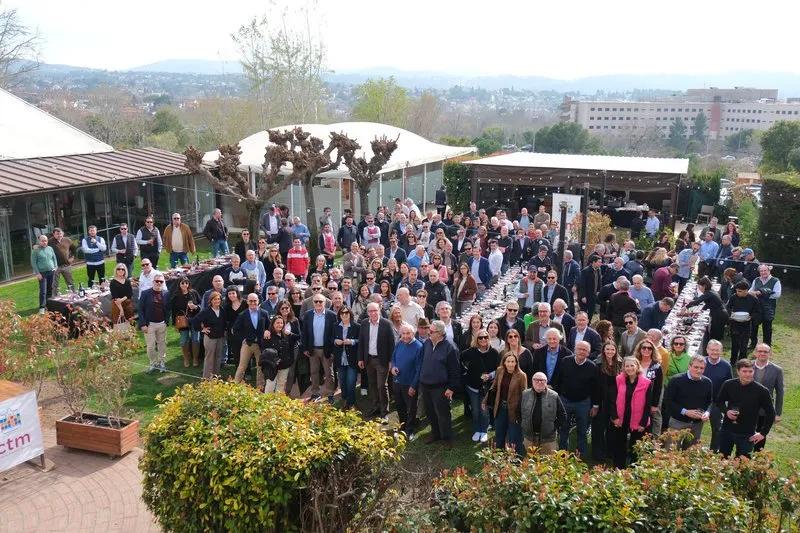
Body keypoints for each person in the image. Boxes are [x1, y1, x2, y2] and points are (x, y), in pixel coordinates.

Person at [716, 359, 776, 458]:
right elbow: (719, 402)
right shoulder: (729, 384)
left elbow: (771, 413)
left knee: (743, 463)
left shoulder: (762, 391)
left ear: (753, 371)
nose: (748, 374)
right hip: (727, 429)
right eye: (744, 371)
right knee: (722, 458)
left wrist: (763, 433)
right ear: (738, 371)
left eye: (750, 371)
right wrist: (726, 411)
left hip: (747, 433)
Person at [419, 320, 461, 448]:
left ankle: (447, 438)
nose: (428, 333)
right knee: (430, 412)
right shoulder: (427, 343)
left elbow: (455, 370)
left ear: (440, 333)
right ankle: (435, 433)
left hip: (440, 387)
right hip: (426, 385)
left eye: (431, 331)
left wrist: (451, 388)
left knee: (443, 414)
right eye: (429, 330)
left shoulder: (450, 347)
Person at [553, 340, 599, 458]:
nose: (581, 352)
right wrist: (557, 399)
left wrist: (595, 406)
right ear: (575, 349)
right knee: (563, 429)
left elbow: (595, 388)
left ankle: (580, 456)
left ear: (588, 353)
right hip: (565, 400)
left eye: (585, 350)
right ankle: (562, 455)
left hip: (583, 402)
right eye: (579, 349)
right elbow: (557, 380)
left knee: (582, 430)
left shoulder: (592, 366)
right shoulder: (565, 361)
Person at [607, 357, 654, 468]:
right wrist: (614, 417)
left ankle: (634, 469)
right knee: (619, 444)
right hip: (621, 417)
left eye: (632, 365)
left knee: (636, 445)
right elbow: (612, 399)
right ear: (624, 368)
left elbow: (648, 404)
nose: (629, 368)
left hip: (638, 419)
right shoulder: (618, 379)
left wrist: (643, 423)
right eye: (627, 366)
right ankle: (618, 468)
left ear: (637, 366)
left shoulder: (646, 383)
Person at [663, 355, 713, 447]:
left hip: (697, 424)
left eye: (701, 368)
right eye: (696, 367)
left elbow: (710, 401)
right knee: (671, 450)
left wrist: (707, 412)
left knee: (691, 451)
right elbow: (668, 401)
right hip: (678, 422)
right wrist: (685, 412)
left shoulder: (707, 382)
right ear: (689, 366)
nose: (698, 370)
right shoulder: (676, 380)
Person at [357, 302, 395, 419]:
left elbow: (392, 344)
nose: (373, 313)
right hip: (368, 359)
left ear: (379, 310)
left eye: (375, 310)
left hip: (382, 360)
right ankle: (375, 407)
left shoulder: (386, 324)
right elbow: (361, 342)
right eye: (370, 311)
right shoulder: (364, 323)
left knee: (381, 386)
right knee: (372, 384)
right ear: (367, 312)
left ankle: (384, 412)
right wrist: (360, 358)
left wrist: (391, 361)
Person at [484, 352, 527, 454]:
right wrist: (485, 400)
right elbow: (494, 387)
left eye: (513, 361)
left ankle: (516, 458)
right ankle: (499, 456)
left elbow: (524, 395)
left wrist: (521, 412)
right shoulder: (500, 371)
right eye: (508, 361)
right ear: (504, 362)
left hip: (514, 410)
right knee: (499, 434)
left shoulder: (521, 375)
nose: (510, 364)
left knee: (514, 436)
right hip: (500, 408)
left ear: (516, 363)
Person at [462, 329, 500, 443]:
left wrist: (490, 375)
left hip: (487, 388)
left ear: (488, 339)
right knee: (475, 410)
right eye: (480, 337)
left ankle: (484, 430)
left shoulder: (494, 352)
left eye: (485, 337)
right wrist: (466, 372)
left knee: (484, 410)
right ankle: (477, 429)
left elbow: (498, 368)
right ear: (476, 339)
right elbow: (461, 360)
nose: (483, 339)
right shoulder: (470, 351)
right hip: (472, 387)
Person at [301, 293, 338, 402]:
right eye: (315, 301)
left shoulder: (332, 315)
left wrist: (333, 350)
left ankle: (330, 393)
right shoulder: (308, 315)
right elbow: (304, 332)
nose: (318, 303)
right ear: (313, 303)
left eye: (320, 301)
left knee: (329, 373)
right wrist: (305, 348)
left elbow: (335, 334)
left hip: (327, 349)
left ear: (325, 303)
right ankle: (315, 393)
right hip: (313, 349)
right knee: (314, 372)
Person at [520, 371, 566, 455]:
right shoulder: (525, 394)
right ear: (532, 381)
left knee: (548, 462)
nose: (539, 382)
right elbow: (518, 412)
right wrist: (523, 424)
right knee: (529, 462)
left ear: (546, 382)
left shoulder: (554, 396)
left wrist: (553, 427)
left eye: (542, 380)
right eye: (536, 380)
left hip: (548, 440)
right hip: (529, 439)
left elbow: (563, 415)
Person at [390, 324, 424, 438]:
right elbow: (393, 358)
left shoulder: (419, 347)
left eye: (408, 333)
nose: (405, 336)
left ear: (413, 333)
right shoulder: (400, 343)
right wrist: (393, 367)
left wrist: (413, 386)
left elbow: (419, 369)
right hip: (397, 381)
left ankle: (410, 430)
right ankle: (403, 426)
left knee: (411, 408)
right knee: (399, 406)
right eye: (403, 333)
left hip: (409, 384)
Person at [231, 293, 270, 389]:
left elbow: (269, 327)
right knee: (242, 366)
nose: (253, 303)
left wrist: (267, 331)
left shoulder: (264, 313)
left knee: (260, 367)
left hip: (260, 345)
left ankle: (260, 387)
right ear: (247, 302)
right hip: (247, 344)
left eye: (255, 301)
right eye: (251, 301)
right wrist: (243, 339)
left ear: (258, 301)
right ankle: (235, 386)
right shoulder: (242, 314)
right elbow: (235, 329)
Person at [592, 341, 622, 461]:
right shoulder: (597, 364)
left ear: (616, 351)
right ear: (603, 350)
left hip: (616, 401)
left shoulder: (620, 364)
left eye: (612, 349)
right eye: (607, 349)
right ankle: (598, 454)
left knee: (613, 428)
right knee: (599, 428)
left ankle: (611, 452)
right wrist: (595, 405)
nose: (610, 352)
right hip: (601, 401)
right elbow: (595, 386)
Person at [752, 343, 784, 452]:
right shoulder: (747, 366)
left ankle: (757, 458)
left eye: (765, 352)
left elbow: (780, 392)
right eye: (760, 351)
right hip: (747, 407)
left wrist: (778, 413)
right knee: (745, 434)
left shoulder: (777, 370)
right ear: (755, 352)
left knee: (761, 436)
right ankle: (743, 458)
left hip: (765, 410)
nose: (762, 353)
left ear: (770, 354)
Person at [702, 340, 733, 452]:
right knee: (694, 427)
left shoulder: (726, 366)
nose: (714, 352)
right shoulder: (701, 362)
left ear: (721, 351)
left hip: (717, 402)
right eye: (712, 350)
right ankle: (691, 449)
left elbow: (729, 385)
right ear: (707, 350)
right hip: (700, 401)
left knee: (717, 428)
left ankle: (713, 451)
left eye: (717, 350)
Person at [192, 291, 227, 379]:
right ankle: (207, 379)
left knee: (218, 357)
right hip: (210, 338)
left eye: (218, 299)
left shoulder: (222, 310)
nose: (217, 301)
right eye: (215, 299)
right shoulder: (206, 311)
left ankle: (215, 377)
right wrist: (202, 329)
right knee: (209, 358)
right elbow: (195, 320)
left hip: (220, 338)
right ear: (211, 301)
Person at [139, 273, 169, 373]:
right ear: (153, 282)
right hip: (149, 325)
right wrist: (143, 324)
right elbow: (140, 309)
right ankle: (153, 363)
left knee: (162, 344)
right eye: (157, 281)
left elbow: (168, 309)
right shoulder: (145, 293)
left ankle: (162, 362)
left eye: (161, 281)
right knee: (151, 346)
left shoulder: (166, 293)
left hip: (162, 324)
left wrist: (166, 322)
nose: (159, 283)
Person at [634, 338, 664, 437]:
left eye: (649, 348)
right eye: (644, 348)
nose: (646, 350)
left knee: (651, 421)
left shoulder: (656, 367)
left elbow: (658, 387)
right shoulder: (635, 363)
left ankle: (653, 439)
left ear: (653, 350)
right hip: (635, 398)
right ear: (640, 349)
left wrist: (655, 404)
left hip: (650, 399)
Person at [726, 280, 760, 365]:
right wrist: (730, 315)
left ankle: (742, 362)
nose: (737, 292)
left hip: (746, 324)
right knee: (735, 344)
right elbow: (728, 307)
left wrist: (751, 317)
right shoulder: (733, 297)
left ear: (746, 290)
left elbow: (757, 311)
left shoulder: (753, 299)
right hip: (735, 323)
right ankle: (732, 361)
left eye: (740, 291)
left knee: (744, 345)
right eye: (737, 291)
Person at [262, 315, 298, 394]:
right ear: (273, 324)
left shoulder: (286, 335)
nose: (280, 325)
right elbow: (264, 350)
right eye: (277, 323)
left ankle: (278, 401)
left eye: (281, 323)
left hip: (284, 365)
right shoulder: (268, 335)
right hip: (271, 366)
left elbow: (298, 338)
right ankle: (267, 401)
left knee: (281, 385)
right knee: (270, 385)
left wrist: (291, 334)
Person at [685, 276, 727, 341]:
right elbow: (709, 303)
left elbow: (697, 301)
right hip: (720, 313)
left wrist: (685, 307)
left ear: (704, 286)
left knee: (715, 334)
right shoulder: (711, 291)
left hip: (719, 315)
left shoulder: (708, 293)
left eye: (699, 286)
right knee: (716, 331)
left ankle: (714, 344)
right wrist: (702, 309)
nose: (699, 289)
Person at [170, 276, 200, 368]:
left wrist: (195, 307)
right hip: (182, 321)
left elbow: (201, 304)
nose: (184, 285)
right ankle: (186, 358)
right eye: (182, 283)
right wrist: (175, 324)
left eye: (186, 283)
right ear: (179, 284)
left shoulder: (193, 293)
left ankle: (195, 358)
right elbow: (174, 311)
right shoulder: (176, 296)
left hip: (194, 319)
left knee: (196, 339)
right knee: (183, 341)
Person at [749, 265, 781, 348]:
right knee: (754, 326)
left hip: (769, 308)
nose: (763, 272)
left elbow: (777, 294)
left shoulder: (775, 280)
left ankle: (767, 346)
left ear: (769, 271)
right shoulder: (756, 280)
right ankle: (753, 344)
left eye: (765, 270)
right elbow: (750, 291)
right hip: (756, 307)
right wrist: (753, 293)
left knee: (767, 328)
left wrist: (762, 294)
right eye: (761, 271)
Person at [31, 234, 57, 313]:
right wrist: (37, 273)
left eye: (45, 241)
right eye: (42, 241)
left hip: (51, 271)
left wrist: (55, 266)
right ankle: (42, 307)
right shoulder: (35, 251)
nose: (44, 242)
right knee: (43, 291)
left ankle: (49, 305)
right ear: (39, 241)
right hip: (42, 274)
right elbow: (33, 263)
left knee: (50, 289)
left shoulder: (50, 248)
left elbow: (54, 258)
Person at [48, 228, 77, 295]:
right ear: (54, 234)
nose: (59, 235)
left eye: (60, 233)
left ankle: (73, 295)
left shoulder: (67, 240)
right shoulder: (49, 242)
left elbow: (74, 249)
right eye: (57, 234)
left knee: (70, 282)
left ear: (63, 233)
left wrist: (72, 258)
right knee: (55, 284)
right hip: (55, 267)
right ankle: (55, 297)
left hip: (66, 265)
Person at [222, 286, 246, 367]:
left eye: (233, 293)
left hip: (244, 331)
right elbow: (225, 320)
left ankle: (247, 370)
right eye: (229, 294)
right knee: (236, 352)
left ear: (237, 293)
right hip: (232, 332)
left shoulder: (245, 303)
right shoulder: (227, 306)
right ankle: (238, 370)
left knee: (246, 352)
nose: (231, 295)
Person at [579, 255, 603, 320]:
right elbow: (582, 284)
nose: (601, 264)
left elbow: (599, 281)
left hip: (594, 295)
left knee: (591, 311)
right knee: (584, 312)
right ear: (594, 262)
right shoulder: (585, 271)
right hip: (586, 295)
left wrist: (598, 291)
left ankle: (588, 323)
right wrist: (583, 296)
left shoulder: (599, 270)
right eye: (599, 262)